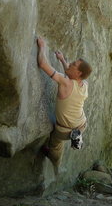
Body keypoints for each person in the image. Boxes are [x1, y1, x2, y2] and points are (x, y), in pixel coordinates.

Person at [36, 36, 92, 167]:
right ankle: (75, 139)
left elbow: (42, 64)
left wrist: (42, 46)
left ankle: (54, 161)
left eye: (73, 64)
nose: (70, 63)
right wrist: (62, 60)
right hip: (81, 125)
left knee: (55, 144)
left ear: (79, 73)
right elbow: (71, 74)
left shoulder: (65, 82)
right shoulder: (84, 84)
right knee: (70, 134)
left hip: (63, 130)